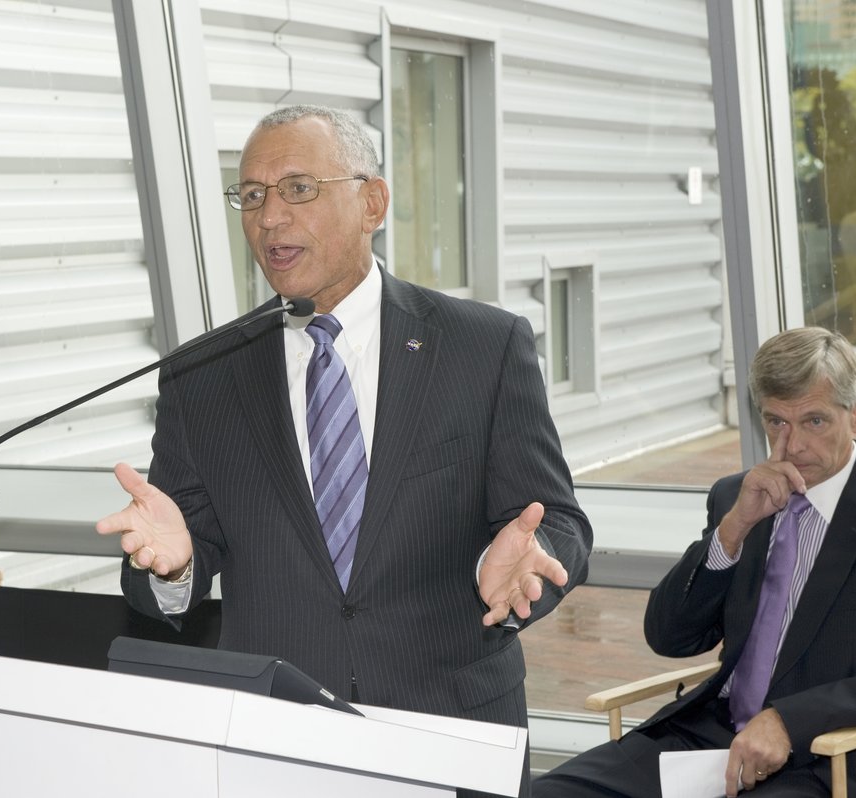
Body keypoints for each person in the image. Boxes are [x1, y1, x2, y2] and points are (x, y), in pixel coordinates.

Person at [95, 104, 592, 795]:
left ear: (372, 202)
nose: (269, 218)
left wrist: (512, 565)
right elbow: (168, 568)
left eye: (299, 188)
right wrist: (175, 567)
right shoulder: (202, 374)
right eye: (253, 196)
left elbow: (558, 523)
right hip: (276, 741)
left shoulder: (482, 347)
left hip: (450, 727)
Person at [533, 327, 856, 798]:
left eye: (814, 422)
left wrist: (788, 721)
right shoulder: (736, 497)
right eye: (776, 422)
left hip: (828, 756)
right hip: (712, 736)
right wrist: (732, 530)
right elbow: (670, 637)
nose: (792, 445)